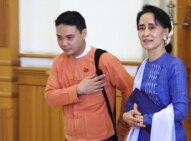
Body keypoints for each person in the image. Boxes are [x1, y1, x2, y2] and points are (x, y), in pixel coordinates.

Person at [44, 11, 133, 141]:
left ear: (84, 34)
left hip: (103, 137)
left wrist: (122, 127)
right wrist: (78, 89)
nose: (63, 43)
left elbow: (129, 88)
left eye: (69, 37)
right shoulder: (58, 61)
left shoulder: (104, 60)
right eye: (59, 37)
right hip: (70, 137)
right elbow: (50, 97)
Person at [122, 5, 188, 141]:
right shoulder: (143, 65)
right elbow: (135, 101)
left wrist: (146, 119)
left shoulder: (174, 65)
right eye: (141, 28)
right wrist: (127, 116)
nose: (145, 33)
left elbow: (181, 110)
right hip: (141, 133)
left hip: (168, 135)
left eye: (152, 27)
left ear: (165, 33)